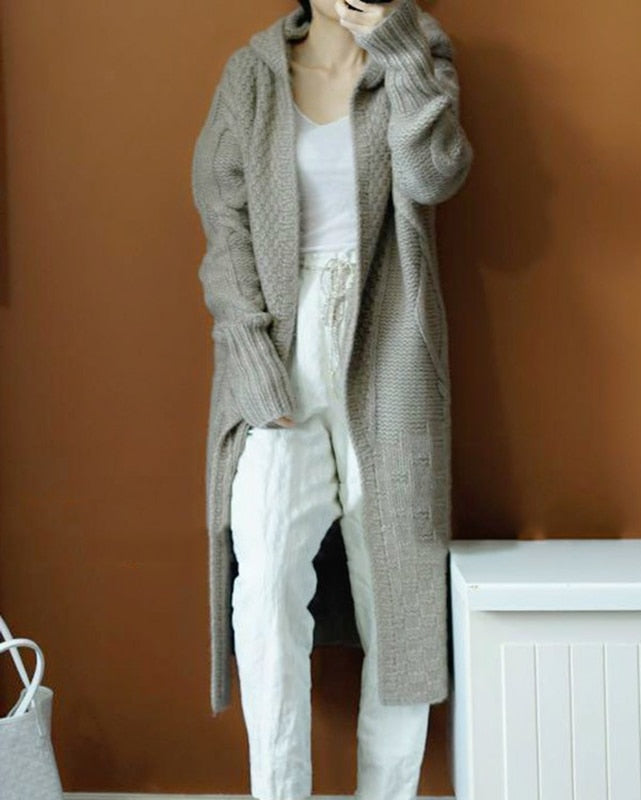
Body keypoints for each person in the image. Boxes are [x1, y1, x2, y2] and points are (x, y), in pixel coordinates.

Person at [191, 0, 473, 798]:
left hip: (389, 350)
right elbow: (224, 229)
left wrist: (398, 46)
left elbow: (435, 174)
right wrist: (253, 361)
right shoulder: (252, 76)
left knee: (401, 597)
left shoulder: (417, 59)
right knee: (265, 582)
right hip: (283, 351)